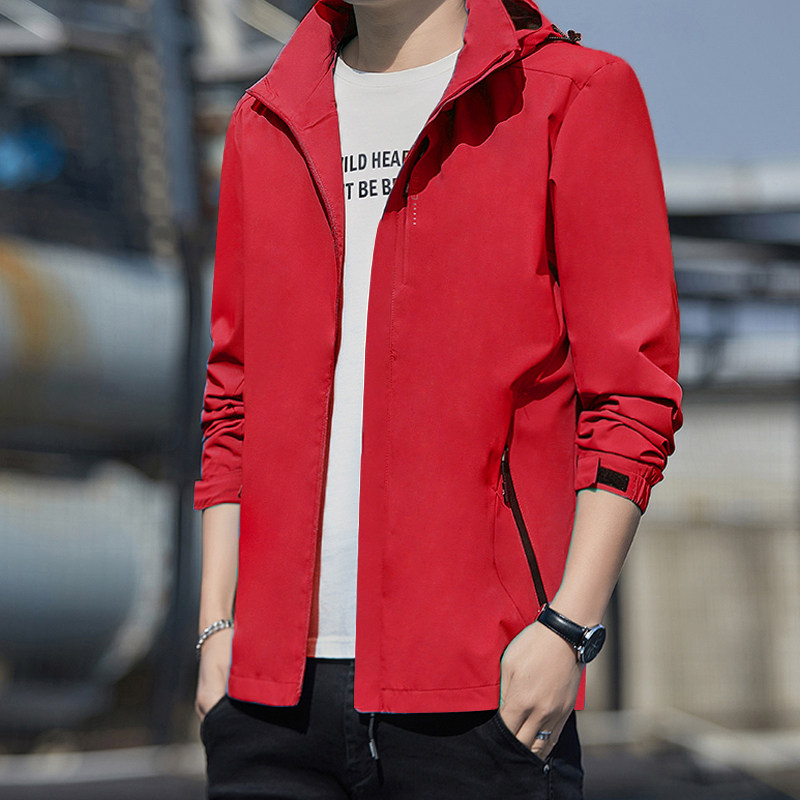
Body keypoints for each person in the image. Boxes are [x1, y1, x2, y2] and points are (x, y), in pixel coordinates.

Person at [192, 0, 682, 797]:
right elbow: (233, 396)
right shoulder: (265, 119)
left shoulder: (571, 95)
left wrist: (567, 628)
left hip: (484, 694)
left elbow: (632, 396)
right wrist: (216, 627)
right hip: (266, 702)